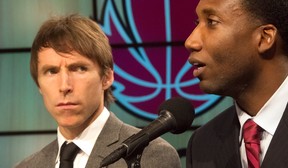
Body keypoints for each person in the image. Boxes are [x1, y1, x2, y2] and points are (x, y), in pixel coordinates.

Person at [15, 14, 181, 168]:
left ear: (107, 77)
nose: (64, 86)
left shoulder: (152, 156)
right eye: (51, 71)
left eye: (79, 69)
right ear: (38, 84)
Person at [185, 0, 288, 168]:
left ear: (264, 37)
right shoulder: (202, 145)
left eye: (212, 22)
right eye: (197, 22)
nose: (191, 41)